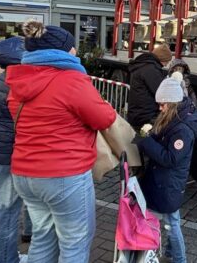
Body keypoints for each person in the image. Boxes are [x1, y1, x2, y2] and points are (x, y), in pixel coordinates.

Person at [7, 21, 116, 263]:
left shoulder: (18, 81)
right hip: (64, 175)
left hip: (24, 173)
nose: (75, 50)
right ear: (64, 51)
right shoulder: (70, 81)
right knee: (75, 241)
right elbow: (104, 118)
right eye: (72, 46)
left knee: (43, 237)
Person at [137, 75, 197, 263]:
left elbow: (170, 158)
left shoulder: (183, 129)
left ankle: (180, 259)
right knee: (170, 221)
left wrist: (147, 142)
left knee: (172, 223)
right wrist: (151, 135)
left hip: (169, 184)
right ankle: (169, 254)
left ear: (172, 104)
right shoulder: (174, 119)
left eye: (162, 104)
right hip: (164, 182)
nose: (159, 108)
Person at [0, 37, 32, 263]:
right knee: (7, 210)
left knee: (10, 206)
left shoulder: (3, 80)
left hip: (0, 152)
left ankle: (20, 242)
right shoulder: (16, 85)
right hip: (9, 155)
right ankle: (4, 259)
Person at [127, 43, 172, 129]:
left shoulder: (144, 65)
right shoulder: (151, 69)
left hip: (137, 113)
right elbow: (161, 92)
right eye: (167, 61)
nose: (166, 64)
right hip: (145, 116)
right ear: (161, 58)